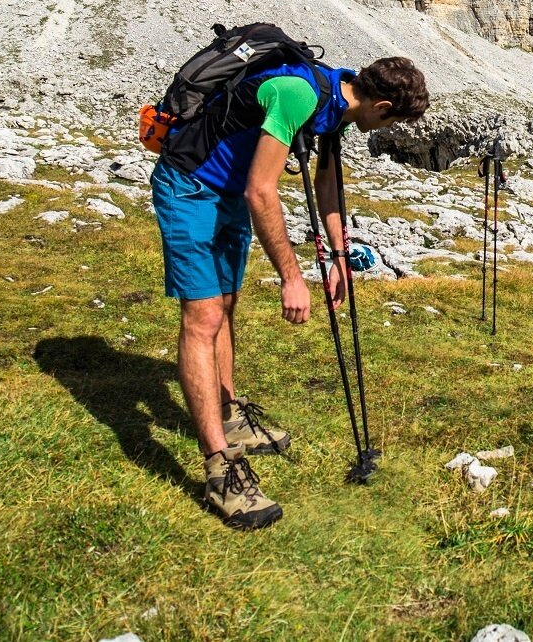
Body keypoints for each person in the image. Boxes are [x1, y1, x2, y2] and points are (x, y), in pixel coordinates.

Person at [151, 54, 429, 529]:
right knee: (202, 319)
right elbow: (262, 191)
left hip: (227, 193)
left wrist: (340, 256)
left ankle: (229, 414)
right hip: (191, 186)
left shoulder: (339, 99)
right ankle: (220, 469)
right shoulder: (300, 94)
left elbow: (326, 182)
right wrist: (293, 276)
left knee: (227, 306)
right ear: (381, 106)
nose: (386, 130)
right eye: (393, 122)